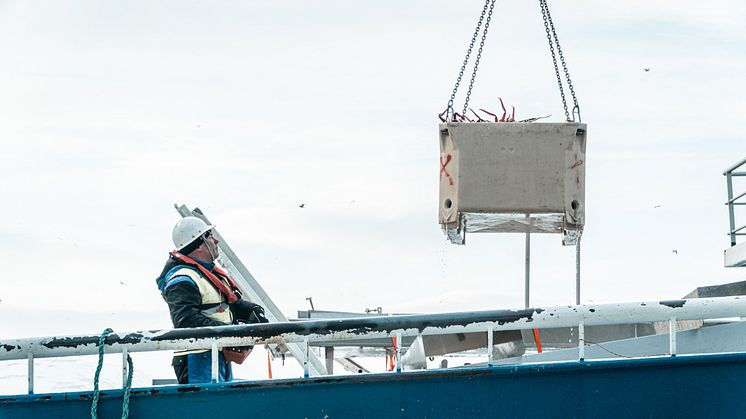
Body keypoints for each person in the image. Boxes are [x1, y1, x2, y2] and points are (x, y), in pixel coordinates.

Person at [155, 216, 269, 384]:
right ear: (199, 245)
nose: (215, 241)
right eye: (209, 236)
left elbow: (228, 305)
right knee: (206, 408)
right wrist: (231, 333)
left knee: (220, 407)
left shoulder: (207, 275)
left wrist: (253, 310)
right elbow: (185, 320)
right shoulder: (183, 278)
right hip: (197, 358)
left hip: (216, 353)